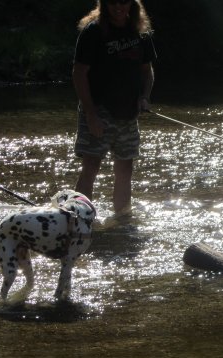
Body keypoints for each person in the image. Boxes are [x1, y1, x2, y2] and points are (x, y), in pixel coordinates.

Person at [73, 0, 156, 215]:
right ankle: (80, 220)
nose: (119, 8)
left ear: (132, 4)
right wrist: (91, 114)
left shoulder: (139, 31)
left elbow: (147, 71)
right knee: (91, 167)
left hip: (128, 112)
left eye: (124, 2)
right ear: (105, 5)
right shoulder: (94, 32)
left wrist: (145, 97)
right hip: (98, 109)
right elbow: (79, 73)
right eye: (113, 3)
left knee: (125, 170)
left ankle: (122, 221)